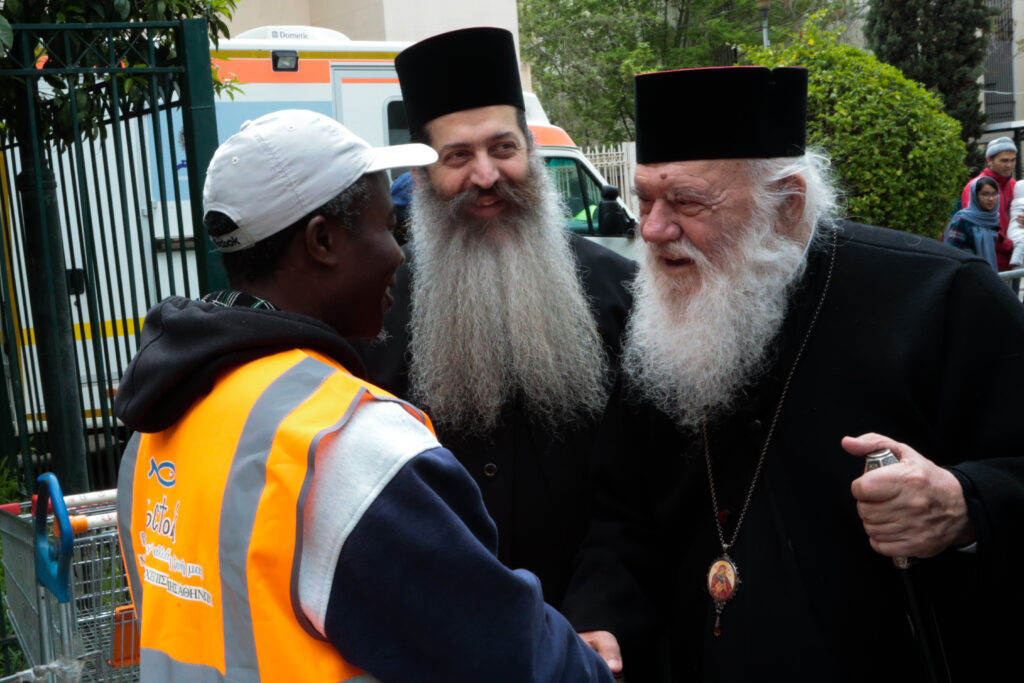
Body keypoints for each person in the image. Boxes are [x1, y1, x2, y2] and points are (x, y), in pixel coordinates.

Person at [113, 109, 613, 682]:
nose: (402, 255)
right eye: (389, 228)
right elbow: (507, 656)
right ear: (323, 240)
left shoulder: (158, 424)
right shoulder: (348, 446)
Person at [563, 67, 1024, 682]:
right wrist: (601, 617)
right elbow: (623, 517)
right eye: (645, 198)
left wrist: (964, 503)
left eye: (686, 202)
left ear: (788, 204)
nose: (652, 229)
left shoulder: (942, 298)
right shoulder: (661, 317)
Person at [351, 27, 636, 610]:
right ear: (425, 175)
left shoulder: (619, 294)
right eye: (458, 156)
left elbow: (646, 489)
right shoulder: (374, 314)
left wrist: (603, 613)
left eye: (503, 148)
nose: (485, 176)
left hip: (590, 637)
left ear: (529, 151)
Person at [960, 136, 1016, 270]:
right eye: (1004, 160)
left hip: (1014, 261)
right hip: (987, 263)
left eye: (1013, 160)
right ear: (989, 160)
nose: (1009, 165)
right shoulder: (975, 186)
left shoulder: (1014, 185)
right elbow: (976, 226)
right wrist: (1010, 246)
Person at [943, 175, 1000, 270]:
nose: (991, 199)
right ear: (975, 196)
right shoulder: (962, 220)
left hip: (987, 274)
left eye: (994, 194)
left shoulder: (992, 219)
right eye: (985, 194)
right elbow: (952, 251)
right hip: (967, 275)